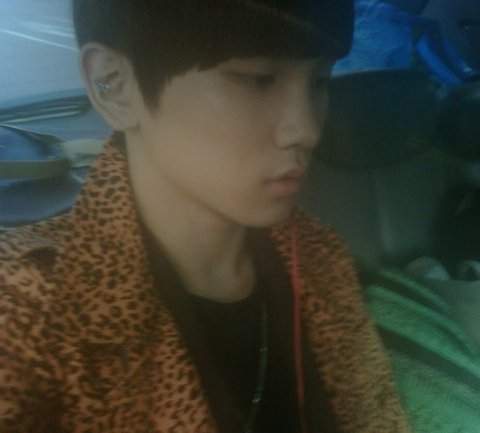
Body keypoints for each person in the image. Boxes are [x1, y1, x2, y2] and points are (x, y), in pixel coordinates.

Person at [0, 1, 412, 432]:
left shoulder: (321, 257)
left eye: (319, 81)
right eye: (257, 80)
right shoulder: (24, 306)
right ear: (115, 85)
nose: (306, 130)